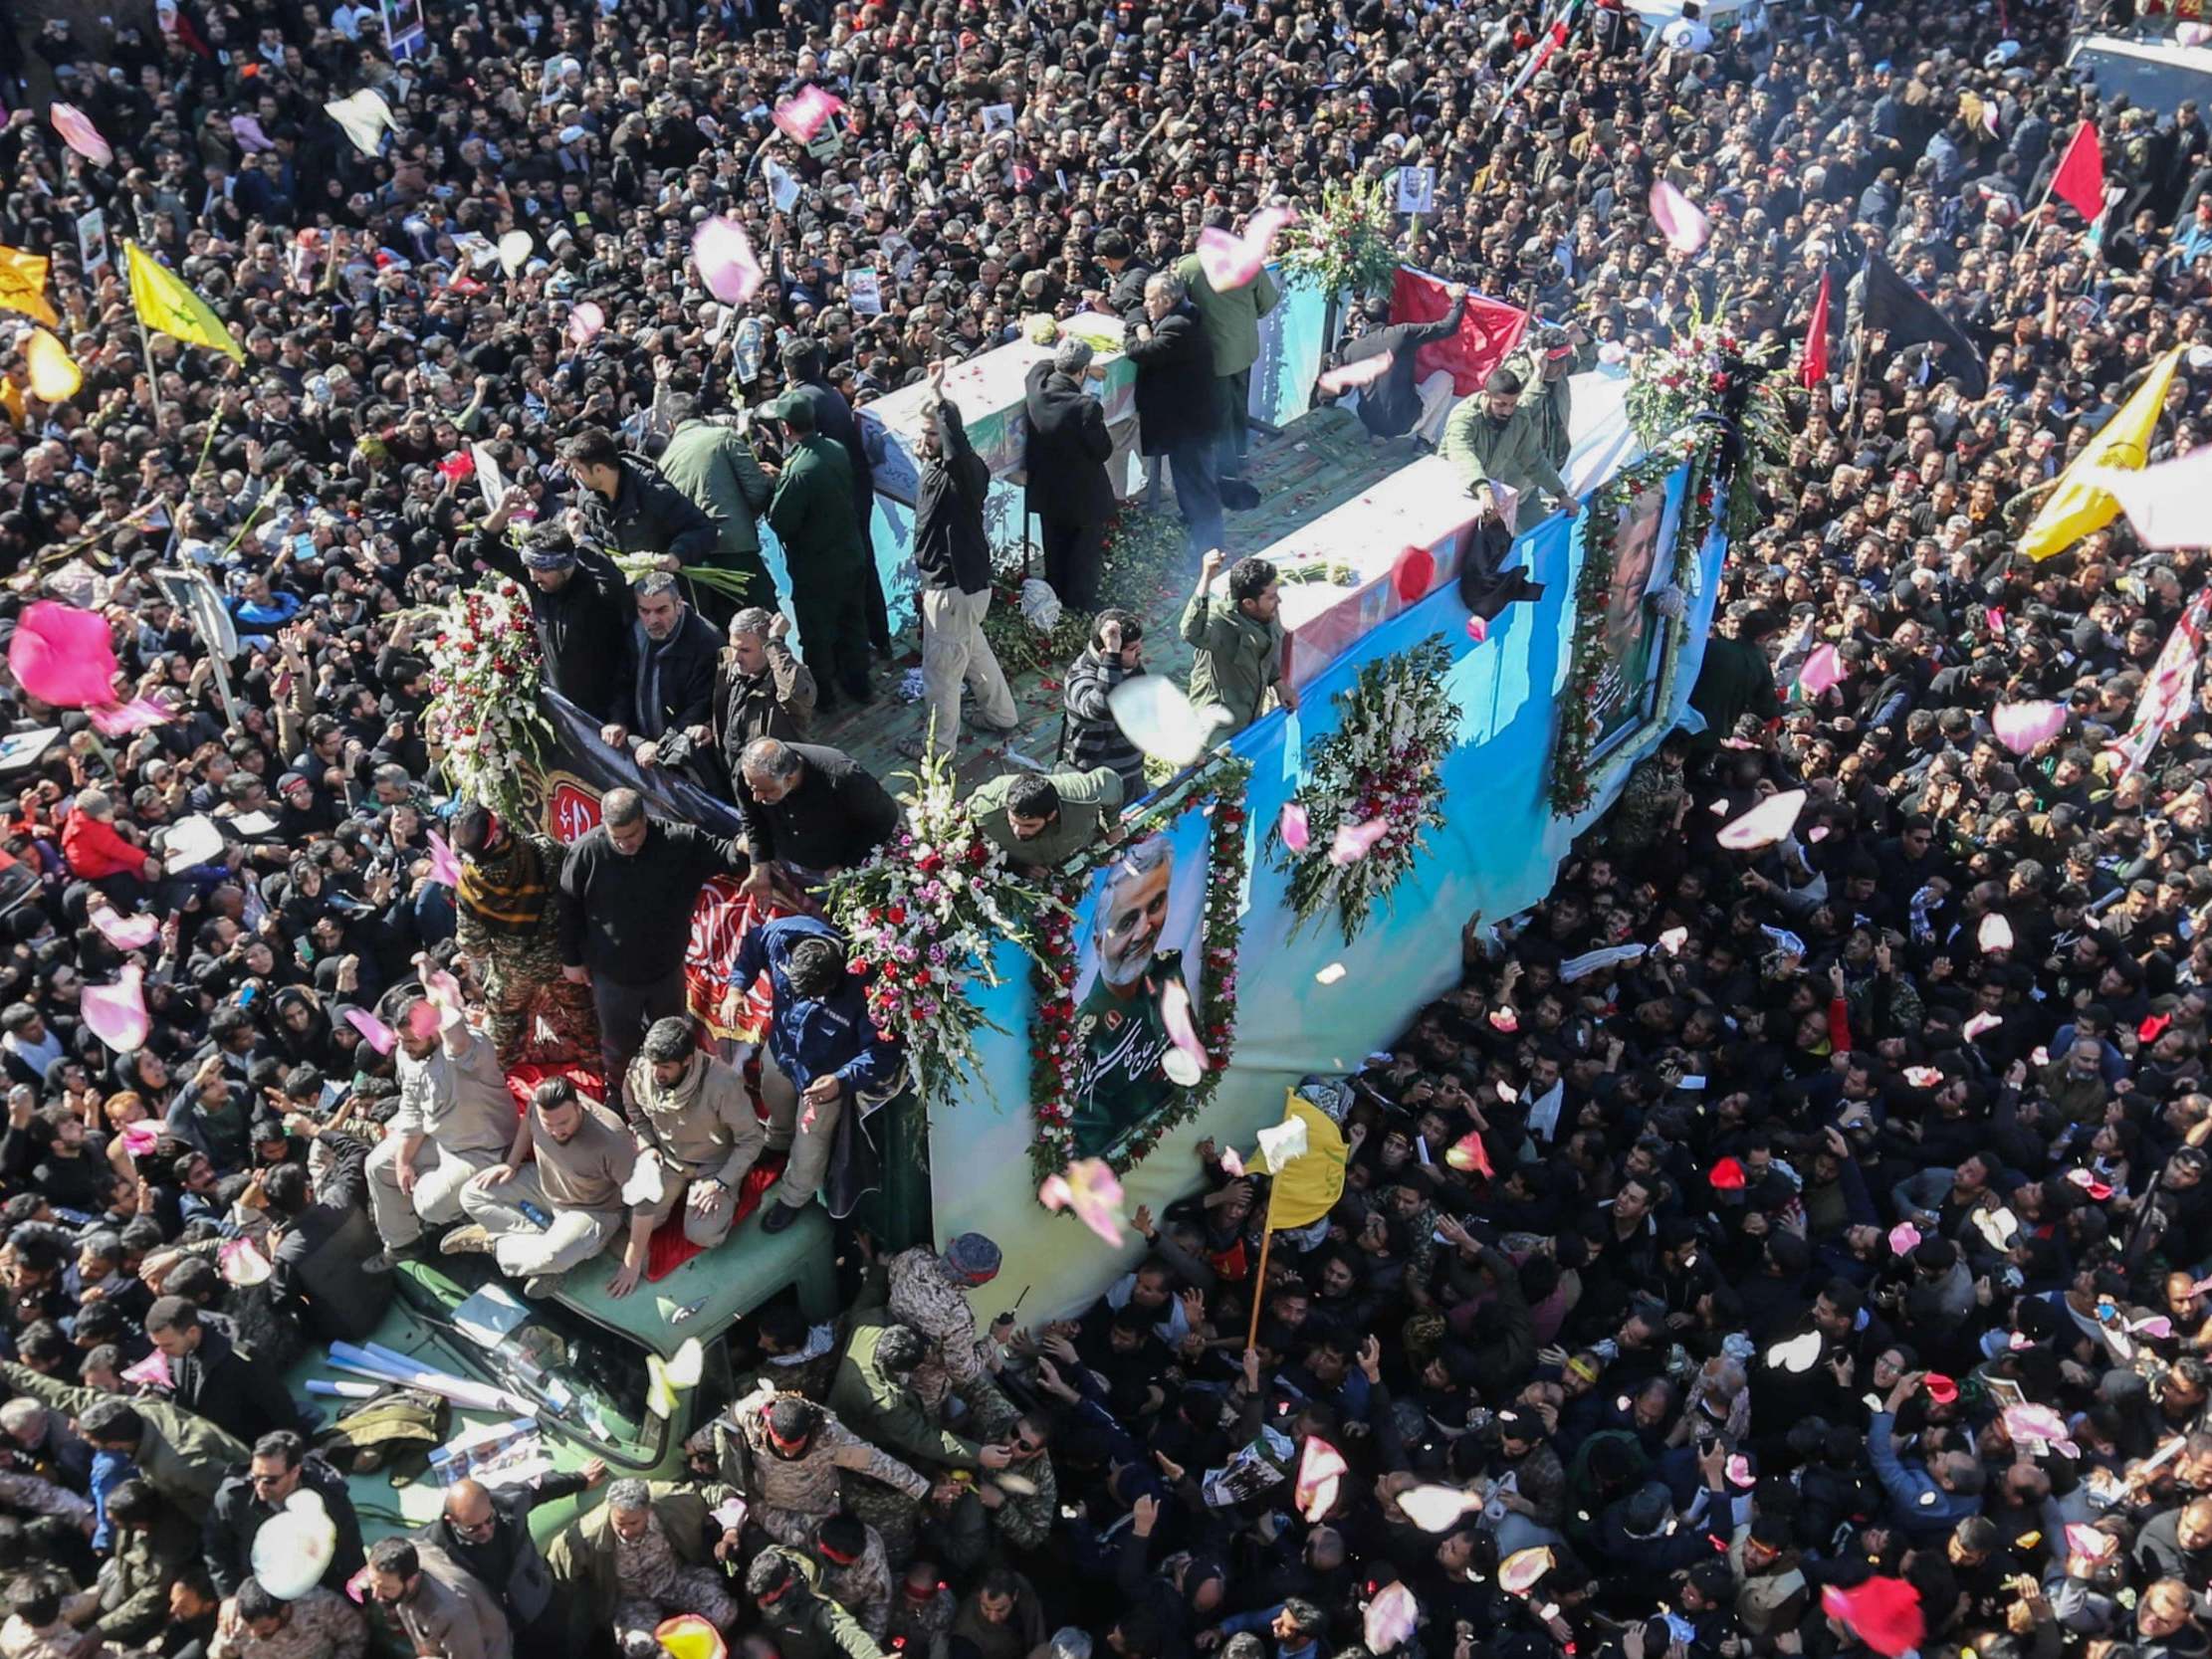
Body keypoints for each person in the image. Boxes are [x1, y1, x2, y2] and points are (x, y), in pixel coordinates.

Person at [556, 786, 751, 1087]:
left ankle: (677, 1089)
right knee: (618, 1045)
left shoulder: (678, 841)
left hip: (666, 970)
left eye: (632, 835)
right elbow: (568, 908)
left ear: (644, 819)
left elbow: (725, 855)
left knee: (671, 1039)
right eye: (617, 838)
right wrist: (571, 959)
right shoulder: (586, 852)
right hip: (613, 976)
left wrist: (744, 846)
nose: (625, 844)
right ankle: (621, 1090)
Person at [733, 918, 905, 1232]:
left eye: (817, 995)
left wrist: (842, 1080)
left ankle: (793, 1197)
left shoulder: (868, 989)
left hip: (824, 1078)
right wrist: (736, 987)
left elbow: (883, 1053)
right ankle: (777, 1143)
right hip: (782, 1050)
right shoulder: (782, 936)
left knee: (811, 1141)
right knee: (775, 1102)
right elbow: (753, 946)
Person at [449, 1075, 650, 1300]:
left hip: (592, 1209)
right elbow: (528, 1121)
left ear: (579, 1108)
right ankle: (540, 1249)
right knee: (472, 1195)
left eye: (563, 1123)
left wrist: (632, 1263)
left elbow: (644, 1202)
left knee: (554, 1255)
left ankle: (493, 1243)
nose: (556, 1132)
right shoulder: (538, 1107)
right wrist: (511, 1164)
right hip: (548, 1185)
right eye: (548, 1125)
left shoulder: (612, 1138)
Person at [908, 360, 1018, 762]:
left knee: (941, 675)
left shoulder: (965, 469)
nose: (925, 440)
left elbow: (953, 439)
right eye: (923, 433)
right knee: (974, 653)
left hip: (952, 590)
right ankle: (1002, 715)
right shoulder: (939, 467)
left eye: (932, 434)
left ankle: (939, 749)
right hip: (962, 590)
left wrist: (939, 396)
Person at [362, 993, 518, 1274]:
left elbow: (458, 1039)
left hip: (482, 1150)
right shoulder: (408, 1054)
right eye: (401, 1040)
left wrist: (438, 997)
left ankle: (477, 1218)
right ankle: (402, 1244)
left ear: (434, 1032)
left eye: (412, 1040)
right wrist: (404, 1162)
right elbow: (412, 1111)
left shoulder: (467, 1049)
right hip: (441, 1140)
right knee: (377, 1165)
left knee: (430, 1205)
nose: (405, 1047)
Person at [1069, 835, 1194, 1160]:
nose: (1144, 930)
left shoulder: (1166, 972)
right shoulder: (1084, 1039)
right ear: (1098, 943)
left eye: (1155, 906)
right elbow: (1093, 1149)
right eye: (1126, 922)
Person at [451, 802, 600, 1068]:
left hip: (512, 972)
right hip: (563, 959)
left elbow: (475, 947)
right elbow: (577, 892)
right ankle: (599, 1067)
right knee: (583, 1015)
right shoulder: (541, 851)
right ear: (496, 835)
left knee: (505, 1028)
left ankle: (500, 1076)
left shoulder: (470, 884)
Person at [779, 337, 890, 659]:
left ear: (788, 371)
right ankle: (879, 638)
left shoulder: (797, 402)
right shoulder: (833, 394)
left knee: (841, 579)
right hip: (856, 490)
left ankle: (851, 652)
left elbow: (797, 456)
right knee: (864, 565)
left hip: (833, 503)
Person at [765, 394, 876, 714]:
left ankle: (824, 697)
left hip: (817, 569)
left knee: (817, 634)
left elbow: (781, 521)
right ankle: (860, 686)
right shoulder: (835, 449)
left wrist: (777, 484)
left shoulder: (797, 471)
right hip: (850, 555)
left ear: (785, 428)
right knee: (853, 623)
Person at [544, 1478, 737, 1659]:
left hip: (673, 1579)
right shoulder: (588, 1534)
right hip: (632, 1599)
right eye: (620, 1523)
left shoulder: (667, 1501)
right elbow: (557, 1563)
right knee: (638, 1647)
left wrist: (730, 1531)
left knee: (724, 1612)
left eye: (633, 1523)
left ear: (647, 1510)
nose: (626, 1531)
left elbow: (712, 1495)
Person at [472, 511, 635, 722]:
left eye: (541, 569)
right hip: (564, 711)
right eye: (529, 567)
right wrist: (503, 510)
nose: (533, 576)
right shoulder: (537, 585)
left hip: (606, 715)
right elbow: (483, 547)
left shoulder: (594, 591)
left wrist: (582, 540)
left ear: (564, 565)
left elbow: (616, 583)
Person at [420, 1467, 602, 1653]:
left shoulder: (509, 1503)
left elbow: (542, 1487)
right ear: (451, 1521)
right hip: (500, 1633)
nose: (486, 1531)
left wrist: (580, 1479)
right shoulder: (431, 1547)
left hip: (538, 1603)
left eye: (489, 1520)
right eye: (473, 1529)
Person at [622, 1015, 766, 1252]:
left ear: (687, 1060)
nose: (656, 1073)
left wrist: (721, 1183)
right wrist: (648, 1148)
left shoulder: (722, 1083)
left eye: (666, 1067)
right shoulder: (639, 1071)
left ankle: (727, 1193)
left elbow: (751, 1140)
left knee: (703, 1233)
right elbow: (636, 1114)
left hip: (713, 1165)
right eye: (653, 1063)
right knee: (637, 1220)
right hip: (668, 1157)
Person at [1177, 213, 1280, 500]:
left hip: (1212, 353)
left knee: (1220, 413)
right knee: (1238, 404)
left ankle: (1226, 471)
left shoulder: (1189, 267)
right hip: (1243, 348)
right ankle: (1241, 456)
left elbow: (1179, 310)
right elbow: (1267, 303)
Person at [257, 1125, 391, 1344]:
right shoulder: (342, 1197)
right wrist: (313, 1129)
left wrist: (274, 1255)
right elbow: (357, 1151)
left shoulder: (287, 1253)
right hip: (388, 1290)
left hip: (350, 1329)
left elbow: (280, 1303)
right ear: (308, 1191)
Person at [1124, 271, 1222, 559]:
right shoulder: (1182, 313)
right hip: (1186, 420)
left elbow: (1139, 351)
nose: (1147, 305)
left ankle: (1208, 544)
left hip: (1189, 424)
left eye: (1151, 300)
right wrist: (1141, 324)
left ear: (1167, 301)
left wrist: (1138, 332)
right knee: (1189, 482)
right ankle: (1197, 527)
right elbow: (1135, 312)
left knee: (1196, 484)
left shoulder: (1178, 326)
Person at [203, 1430, 364, 1599]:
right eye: (255, 1477)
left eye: (270, 1480)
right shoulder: (234, 1497)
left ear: (295, 1472)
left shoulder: (329, 1496)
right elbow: (216, 1547)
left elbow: (350, 1551)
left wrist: (359, 1599)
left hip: (317, 1586)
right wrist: (228, 1595)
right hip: (260, 1590)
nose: (259, 1486)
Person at [656, 393, 775, 619]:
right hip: (736, 547)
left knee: (722, 628)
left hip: (696, 560)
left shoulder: (664, 461)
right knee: (765, 621)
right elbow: (757, 490)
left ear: (671, 424)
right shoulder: (723, 437)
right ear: (702, 414)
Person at [732, 739, 902, 897]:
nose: (757, 797)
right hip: (795, 863)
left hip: (848, 868)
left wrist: (846, 864)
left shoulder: (842, 776)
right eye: (752, 788)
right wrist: (759, 865)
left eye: (767, 791)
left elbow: (884, 818)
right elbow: (752, 818)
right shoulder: (750, 773)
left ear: (789, 778)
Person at [1024, 338, 1117, 612]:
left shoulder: (1037, 390)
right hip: (1083, 496)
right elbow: (1103, 450)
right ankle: (1081, 609)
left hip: (1049, 493)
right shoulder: (1085, 407)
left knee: (1055, 551)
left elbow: (1038, 368)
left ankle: (1056, 606)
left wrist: (1071, 364)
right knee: (1083, 559)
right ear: (1083, 371)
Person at [603, 570, 723, 782]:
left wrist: (662, 745)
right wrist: (618, 720)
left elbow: (701, 706)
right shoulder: (637, 632)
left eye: (661, 610)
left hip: (685, 756)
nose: (652, 620)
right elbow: (624, 682)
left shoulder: (706, 641)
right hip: (644, 747)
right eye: (644, 611)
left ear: (678, 604)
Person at [141, 1297, 305, 1448]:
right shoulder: (179, 1346)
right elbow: (180, 1379)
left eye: (167, 1345)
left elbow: (279, 1407)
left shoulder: (239, 1358)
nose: (162, 1352)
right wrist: (160, 1391)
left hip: (258, 1444)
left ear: (192, 1332)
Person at [558, 425, 720, 569]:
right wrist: (578, 534)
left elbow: (703, 529)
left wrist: (677, 555)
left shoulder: (653, 491)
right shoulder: (586, 499)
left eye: (579, 470)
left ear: (599, 469)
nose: (573, 475)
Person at [1327, 284, 1469, 447]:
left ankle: (1377, 434)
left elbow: (1343, 389)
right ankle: (1425, 439)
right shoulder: (1402, 334)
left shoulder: (1353, 349)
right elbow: (1448, 327)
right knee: (1446, 378)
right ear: (1389, 315)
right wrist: (1458, 298)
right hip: (1404, 424)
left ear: (1365, 320)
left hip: (1370, 422)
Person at [1440, 366, 1581, 525]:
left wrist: (1561, 494)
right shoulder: (1463, 418)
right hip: (1454, 487)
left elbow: (1533, 460)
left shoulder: (1518, 418)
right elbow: (1463, 456)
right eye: (1501, 405)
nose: (1507, 411)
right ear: (1486, 396)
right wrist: (1484, 490)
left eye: (1512, 404)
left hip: (1490, 491)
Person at [1183, 551, 1296, 739]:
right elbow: (1190, 632)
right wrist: (1207, 577)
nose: (1278, 601)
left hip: (1249, 720)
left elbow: (1264, 654)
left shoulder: (1267, 614)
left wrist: (1278, 684)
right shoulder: (1219, 623)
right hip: (1216, 731)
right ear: (1249, 603)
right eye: (1271, 597)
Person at [361, 1537, 512, 1659]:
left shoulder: (448, 1612)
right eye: (373, 1583)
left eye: (386, 1588)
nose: (375, 1594)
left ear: (412, 1580)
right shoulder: (408, 1551)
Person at [710, 607, 817, 773]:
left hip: (770, 775)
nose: (736, 657)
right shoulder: (731, 667)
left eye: (745, 650)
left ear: (767, 648)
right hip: (733, 769)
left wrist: (775, 642)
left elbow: (795, 696)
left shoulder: (786, 679)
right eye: (733, 647)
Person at [1062, 611, 1149, 798]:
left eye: (1140, 644)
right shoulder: (1080, 676)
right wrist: (1112, 659)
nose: (1139, 651)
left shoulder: (1129, 665)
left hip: (1132, 773)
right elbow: (1100, 709)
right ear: (1106, 654)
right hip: (1100, 783)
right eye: (1132, 649)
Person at [966, 768, 1126, 869]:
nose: (1018, 830)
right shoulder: (984, 810)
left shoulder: (1081, 797)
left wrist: (1114, 825)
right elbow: (961, 826)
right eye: (1013, 821)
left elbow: (1110, 780)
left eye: (1030, 825)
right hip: (1018, 867)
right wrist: (1016, 867)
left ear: (1051, 816)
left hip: (1077, 849)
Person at [747, 1546, 890, 1659]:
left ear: (788, 1582)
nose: (762, 1600)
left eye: (767, 1595)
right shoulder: (767, 1560)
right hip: (772, 1638)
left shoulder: (815, 1601)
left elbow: (845, 1628)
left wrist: (873, 1656)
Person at [206, 1577, 366, 1659]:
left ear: (283, 1611)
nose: (255, 1634)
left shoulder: (320, 1605)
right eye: (250, 1628)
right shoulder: (235, 1621)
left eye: (264, 1628)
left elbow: (355, 1638)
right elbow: (217, 1655)